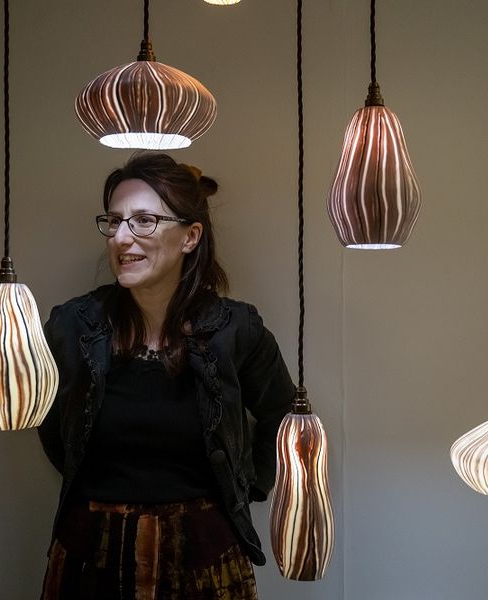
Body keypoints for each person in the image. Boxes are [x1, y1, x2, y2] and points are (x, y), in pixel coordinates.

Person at [38, 153, 295, 600]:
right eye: (114, 221)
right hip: (89, 558)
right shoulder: (73, 325)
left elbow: (285, 418)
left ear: (190, 236)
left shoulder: (236, 330)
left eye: (143, 221)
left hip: (205, 561)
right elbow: (47, 420)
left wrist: (246, 485)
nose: (121, 238)